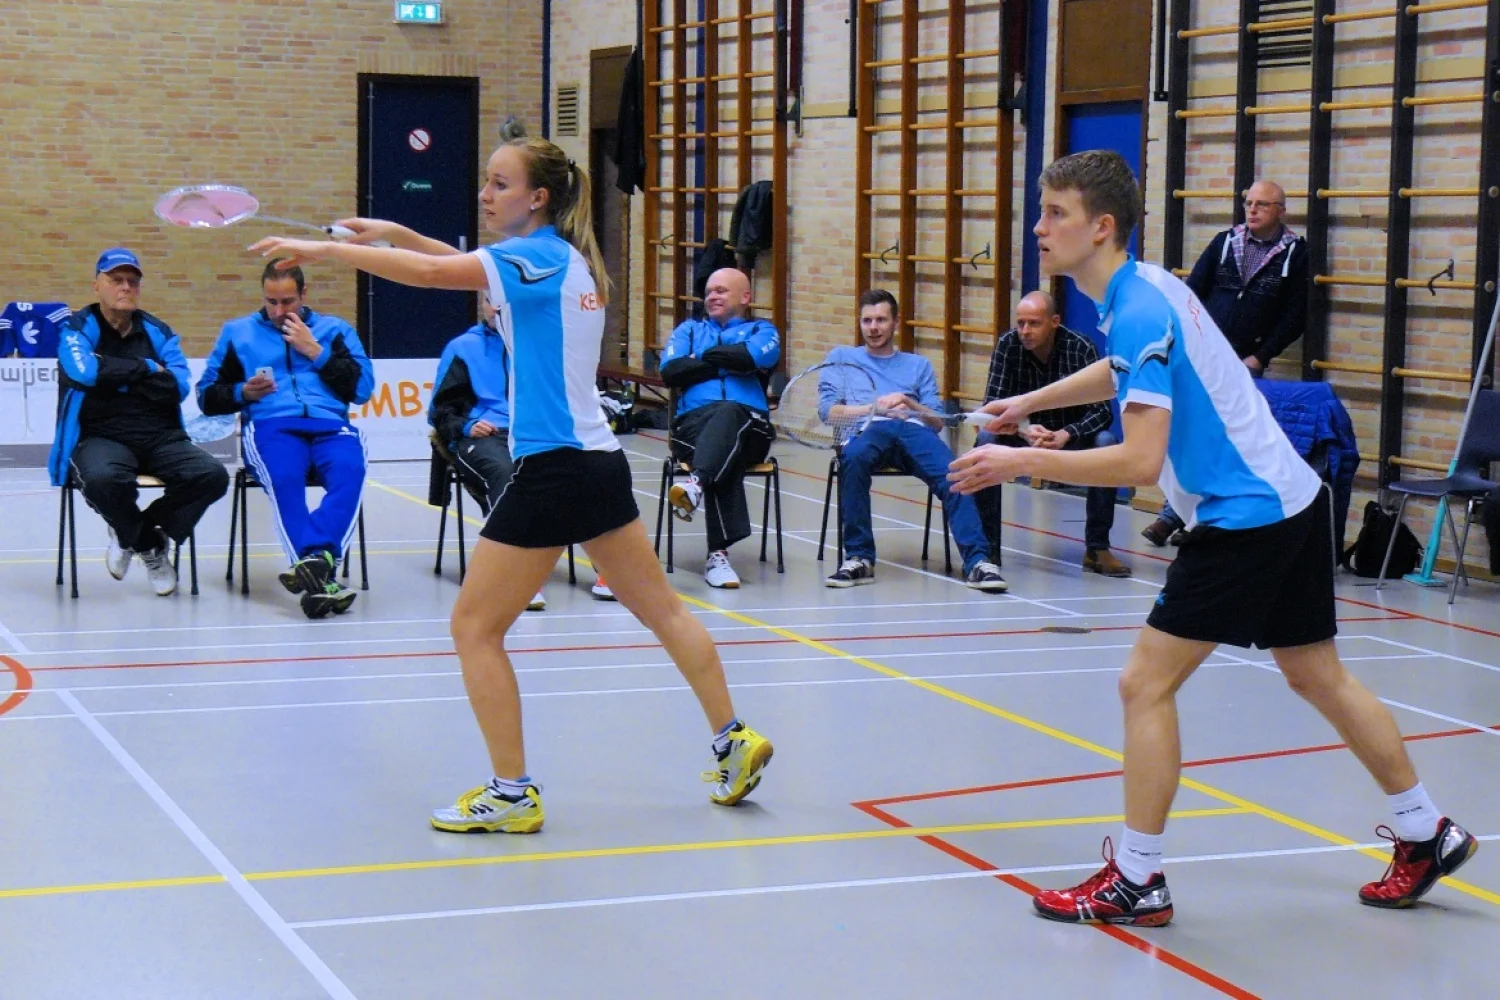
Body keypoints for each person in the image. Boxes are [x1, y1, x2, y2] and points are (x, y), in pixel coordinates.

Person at [949, 150, 1475, 925]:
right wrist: (1029, 398)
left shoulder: (1137, 305)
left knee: (1144, 683)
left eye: (1054, 212)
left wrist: (1019, 458)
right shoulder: (1149, 287)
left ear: (1100, 227)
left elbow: (1140, 459)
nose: (1038, 227)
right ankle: (1427, 830)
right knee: (1318, 677)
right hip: (1295, 499)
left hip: (1246, 517)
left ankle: (1139, 879)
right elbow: (1120, 372)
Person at [251, 136, 773, 833]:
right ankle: (732, 738)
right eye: (485, 182)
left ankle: (511, 790)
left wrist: (330, 253)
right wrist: (394, 231)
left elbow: (439, 278)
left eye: (500, 184)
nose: (485, 194)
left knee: (473, 626)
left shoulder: (535, 258)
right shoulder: (565, 259)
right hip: (600, 464)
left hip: (552, 468)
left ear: (539, 198)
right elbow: (458, 263)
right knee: (665, 613)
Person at [197, 259, 374, 618]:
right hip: (271, 425)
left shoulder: (335, 330)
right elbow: (206, 395)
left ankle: (314, 564)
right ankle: (321, 572)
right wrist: (242, 392)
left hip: (330, 424)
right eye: (271, 302)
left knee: (351, 470)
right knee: (286, 478)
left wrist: (316, 352)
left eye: (288, 302)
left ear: (304, 295)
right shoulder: (238, 333)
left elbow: (362, 389)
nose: (279, 311)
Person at [48, 248, 230, 596]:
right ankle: (149, 545)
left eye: (133, 281)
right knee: (102, 479)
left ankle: (131, 530)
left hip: (162, 437)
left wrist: (111, 373)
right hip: (101, 437)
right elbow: (83, 371)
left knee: (211, 476)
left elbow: (176, 385)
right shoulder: (78, 328)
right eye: (116, 280)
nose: (126, 287)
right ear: (96, 285)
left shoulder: (158, 332)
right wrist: (145, 369)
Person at [1143, 179, 1309, 547]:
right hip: (1204, 358)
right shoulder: (1225, 242)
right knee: (1192, 435)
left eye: (1262, 205)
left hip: (1247, 361)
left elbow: (1296, 314)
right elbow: (1191, 295)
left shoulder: (1295, 252)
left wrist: (1260, 355)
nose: (1252, 210)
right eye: (1249, 203)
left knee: (1227, 442)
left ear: (1280, 211)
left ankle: (1197, 521)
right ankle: (1176, 514)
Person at [429, 292, 614, 608]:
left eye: (505, 300)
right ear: (482, 304)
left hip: (534, 433)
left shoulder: (539, 345)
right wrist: (465, 425)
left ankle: (609, 570)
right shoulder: (463, 347)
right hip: (484, 436)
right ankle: (519, 576)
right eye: (491, 300)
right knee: (508, 476)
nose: (497, 307)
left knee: (590, 472)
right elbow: (441, 408)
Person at [821, 289, 1007, 591]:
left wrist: (911, 404)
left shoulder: (918, 365)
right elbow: (828, 412)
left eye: (881, 320)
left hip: (913, 430)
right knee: (852, 459)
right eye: (867, 321)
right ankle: (858, 557)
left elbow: (934, 422)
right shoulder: (842, 358)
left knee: (956, 473)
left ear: (895, 323)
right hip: (867, 429)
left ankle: (977, 562)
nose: (873, 327)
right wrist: (874, 408)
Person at [973, 290, 1131, 578]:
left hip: (1069, 438)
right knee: (985, 441)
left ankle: (1097, 548)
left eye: (1033, 323)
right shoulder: (1007, 346)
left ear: (1054, 321)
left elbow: (1102, 412)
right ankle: (988, 549)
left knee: (1106, 442)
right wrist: (1024, 430)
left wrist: (1066, 434)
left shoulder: (1080, 347)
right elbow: (991, 409)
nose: (1025, 331)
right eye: (1020, 323)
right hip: (1022, 435)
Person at [659, 267, 780, 589]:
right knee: (724, 448)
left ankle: (697, 482)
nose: (711, 296)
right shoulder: (688, 329)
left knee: (729, 418)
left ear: (745, 297)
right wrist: (726, 358)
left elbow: (752, 357)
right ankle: (717, 554)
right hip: (692, 427)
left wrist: (702, 360)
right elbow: (671, 371)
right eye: (709, 291)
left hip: (752, 427)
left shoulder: (763, 330)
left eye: (721, 290)